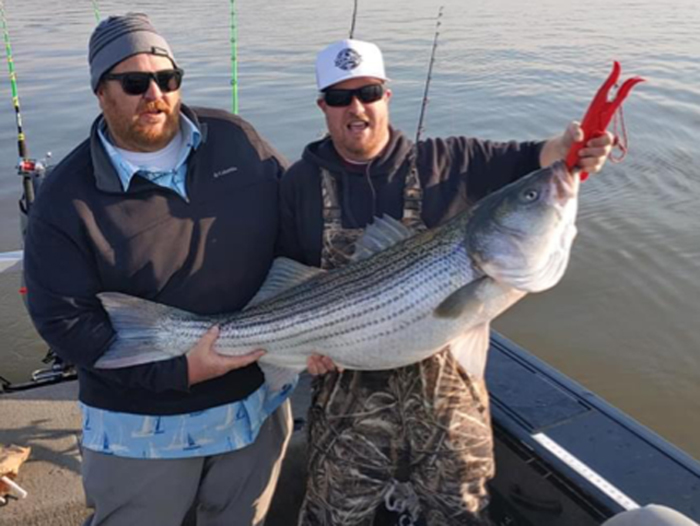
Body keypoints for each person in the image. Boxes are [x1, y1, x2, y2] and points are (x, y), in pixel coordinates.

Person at [278, 39, 615, 525]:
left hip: (449, 412)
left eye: (369, 91)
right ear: (322, 107)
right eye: (339, 97)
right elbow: (287, 278)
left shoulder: (452, 160)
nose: (357, 107)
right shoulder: (299, 183)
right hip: (346, 398)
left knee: (463, 515)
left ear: (386, 97)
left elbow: (539, 160)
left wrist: (570, 153)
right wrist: (302, 350)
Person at [23, 13, 298, 526]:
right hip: (144, 431)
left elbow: (298, 232)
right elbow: (65, 323)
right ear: (100, 93)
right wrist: (183, 371)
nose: (155, 93)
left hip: (255, 407)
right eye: (134, 82)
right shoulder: (66, 198)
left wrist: (320, 331)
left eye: (167, 79)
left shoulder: (237, 139)